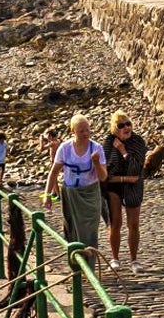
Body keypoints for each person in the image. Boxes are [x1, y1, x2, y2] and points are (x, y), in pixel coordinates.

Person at [44, 113, 109, 268]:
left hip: (90, 194)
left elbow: (103, 177)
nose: (85, 133)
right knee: (72, 230)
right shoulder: (65, 148)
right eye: (81, 131)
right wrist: (47, 195)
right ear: (73, 131)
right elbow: (54, 172)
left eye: (87, 130)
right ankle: (76, 267)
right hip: (71, 194)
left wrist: (96, 163)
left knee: (90, 231)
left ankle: (89, 267)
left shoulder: (96, 148)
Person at [102, 109, 147, 269]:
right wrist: (124, 178)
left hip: (133, 187)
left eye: (128, 124)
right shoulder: (109, 142)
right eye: (121, 125)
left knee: (133, 224)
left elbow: (136, 169)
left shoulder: (137, 141)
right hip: (113, 187)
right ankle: (115, 258)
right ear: (115, 128)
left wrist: (123, 151)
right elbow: (105, 173)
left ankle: (134, 260)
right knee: (115, 223)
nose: (126, 127)